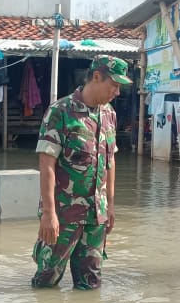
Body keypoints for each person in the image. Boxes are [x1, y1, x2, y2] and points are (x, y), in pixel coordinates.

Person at [32, 55, 131, 290]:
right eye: (114, 85)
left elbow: (110, 161)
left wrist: (111, 206)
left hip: (96, 216)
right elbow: (46, 164)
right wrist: (49, 214)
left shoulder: (109, 115)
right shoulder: (60, 112)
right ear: (96, 77)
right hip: (64, 215)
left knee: (91, 284)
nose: (117, 92)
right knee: (47, 280)